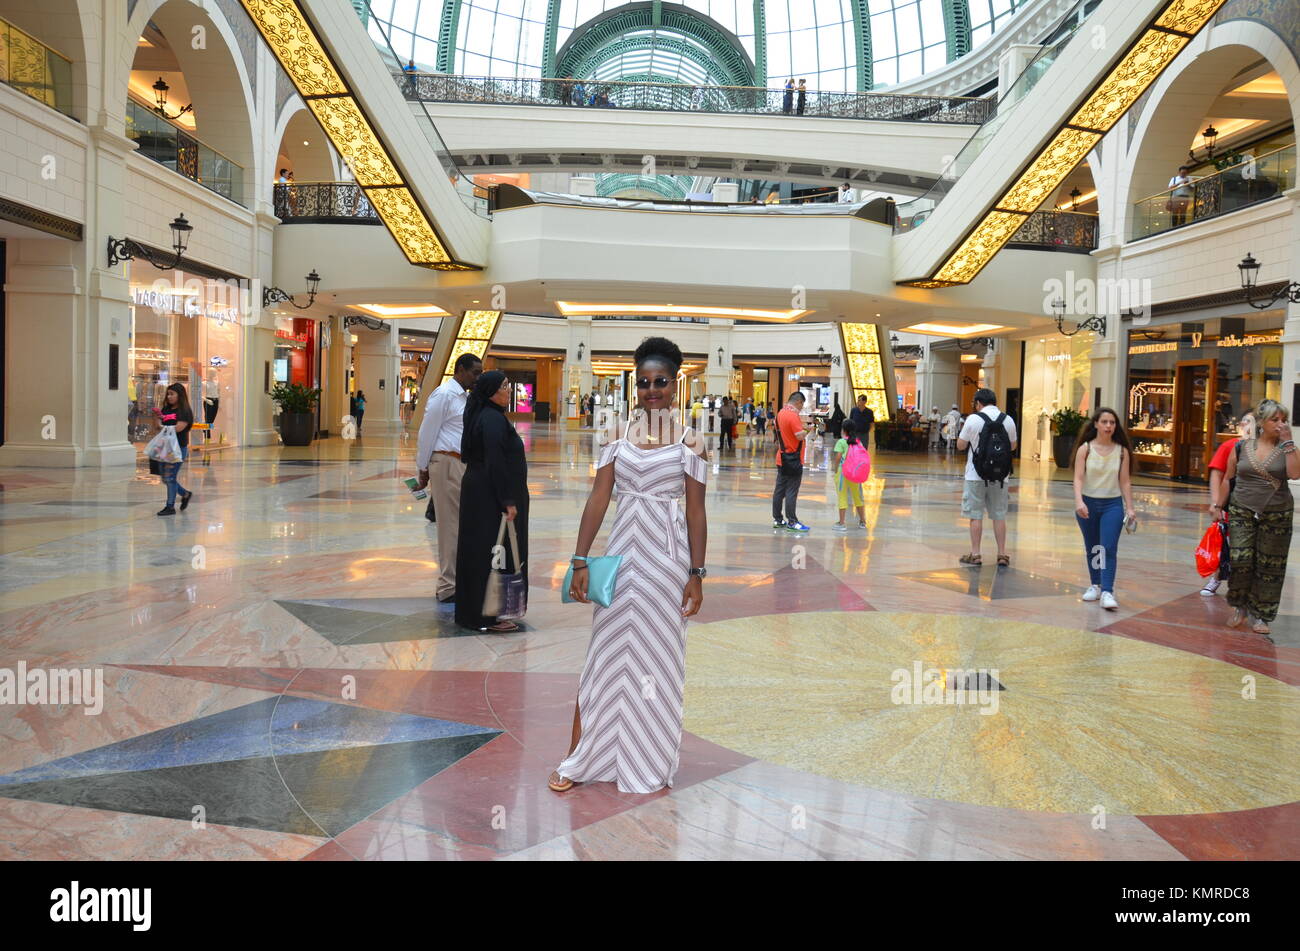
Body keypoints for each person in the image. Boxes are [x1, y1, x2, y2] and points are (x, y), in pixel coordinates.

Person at [550, 336, 708, 794]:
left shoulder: (692, 441)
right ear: (633, 386)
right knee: (603, 654)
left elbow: (696, 513)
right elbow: (599, 498)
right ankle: (578, 756)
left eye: (660, 382)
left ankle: (648, 759)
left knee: (658, 661)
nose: (651, 390)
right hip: (622, 557)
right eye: (643, 383)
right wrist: (581, 558)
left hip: (667, 563)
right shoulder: (616, 435)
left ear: (675, 384)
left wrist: (696, 575)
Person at [1216, 399, 1300, 637]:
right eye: (1275, 419)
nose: (1280, 423)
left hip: (1277, 512)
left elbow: (1295, 473)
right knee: (1241, 559)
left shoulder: (1287, 447)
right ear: (1262, 422)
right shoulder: (1242, 447)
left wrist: (1289, 441)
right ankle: (1240, 607)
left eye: (1283, 419)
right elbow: (1227, 478)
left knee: (1269, 566)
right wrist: (1217, 507)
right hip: (1242, 508)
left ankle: (1261, 614)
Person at [455, 371, 529, 633]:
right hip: (489, 495)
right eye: (505, 386)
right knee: (492, 552)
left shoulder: (484, 415)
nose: (509, 391)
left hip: (480, 491)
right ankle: (487, 615)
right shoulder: (492, 420)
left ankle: (475, 612)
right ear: (491, 392)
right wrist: (507, 500)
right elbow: (495, 462)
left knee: (479, 550)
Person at [416, 353, 483, 604]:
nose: (478, 377)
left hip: (460, 463)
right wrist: (422, 468)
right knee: (449, 526)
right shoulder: (443, 395)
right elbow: (427, 432)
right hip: (445, 462)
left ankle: (457, 580)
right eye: (475, 372)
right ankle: (447, 585)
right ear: (461, 370)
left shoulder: (464, 397)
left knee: (459, 524)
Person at [1071, 408, 1136, 610]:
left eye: (1112, 423)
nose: (1109, 426)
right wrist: (1079, 502)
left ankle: (1107, 590)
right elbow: (1078, 478)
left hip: (1112, 505)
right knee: (1093, 547)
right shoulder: (1085, 449)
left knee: (1108, 547)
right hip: (1088, 504)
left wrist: (1130, 507)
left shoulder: (1122, 451)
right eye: (1105, 422)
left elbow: (1125, 481)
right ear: (1096, 424)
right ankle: (1095, 585)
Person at [956, 388, 1017, 566]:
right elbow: (1013, 446)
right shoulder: (1008, 419)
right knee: (999, 515)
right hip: (1000, 476)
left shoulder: (973, 419)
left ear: (978, 403)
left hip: (975, 474)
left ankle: (975, 554)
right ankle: (1002, 554)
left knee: (975, 515)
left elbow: (961, 445)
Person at [1202, 413, 1255, 595]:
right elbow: (1217, 474)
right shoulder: (1230, 446)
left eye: (1252, 421)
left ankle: (1245, 586)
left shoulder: (1264, 448)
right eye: (1245, 421)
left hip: (1254, 504)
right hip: (1230, 503)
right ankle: (1216, 577)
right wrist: (1216, 502)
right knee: (1225, 543)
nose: (1247, 425)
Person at [773, 391, 813, 532]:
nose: (801, 408)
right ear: (798, 402)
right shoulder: (793, 415)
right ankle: (792, 522)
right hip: (793, 459)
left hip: (782, 457)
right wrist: (808, 430)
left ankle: (778, 519)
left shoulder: (780, 413)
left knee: (779, 490)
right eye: (802, 405)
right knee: (791, 491)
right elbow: (799, 436)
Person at [155, 382, 193, 516]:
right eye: (168, 394)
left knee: (170, 477)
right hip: (164, 448)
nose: (169, 397)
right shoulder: (166, 409)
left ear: (180, 395)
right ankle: (185, 494)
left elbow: (178, 428)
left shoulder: (184, 411)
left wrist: (162, 426)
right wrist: (160, 422)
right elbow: (158, 423)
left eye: (172, 394)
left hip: (178, 448)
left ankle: (170, 506)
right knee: (166, 478)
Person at [832, 420, 867, 532]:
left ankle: (842, 523)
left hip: (843, 472)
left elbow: (838, 457)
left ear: (843, 430)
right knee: (857, 496)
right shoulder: (858, 442)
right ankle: (862, 521)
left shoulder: (841, 442)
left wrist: (835, 468)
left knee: (842, 496)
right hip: (855, 473)